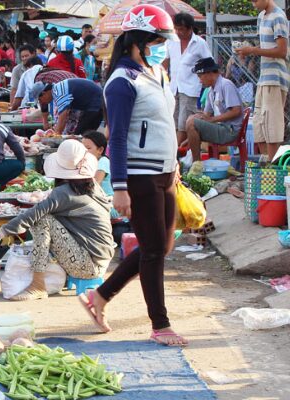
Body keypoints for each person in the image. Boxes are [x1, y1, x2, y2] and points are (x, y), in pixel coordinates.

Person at [86, 4, 187, 347]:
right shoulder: (121, 81)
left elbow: (162, 123)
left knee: (160, 245)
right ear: (139, 40)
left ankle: (100, 295)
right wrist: (120, 188)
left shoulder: (156, 72)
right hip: (139, 176)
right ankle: (160, 324)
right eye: (158, 39)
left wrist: (173, 163)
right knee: (154, 250)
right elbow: (116, 136)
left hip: (165, 172)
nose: (162, 45)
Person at [0, 139, 114, 300]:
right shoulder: (91, 185)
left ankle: (38, 285)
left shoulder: (64, 192)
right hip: (101, 260)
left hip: (88, 265)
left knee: (41, 220)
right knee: (46, 218)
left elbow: (32, 215)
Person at [235, 0, 288, 159]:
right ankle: (266, 163)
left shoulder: (278, 16)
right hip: (263, 77)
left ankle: (272, 167)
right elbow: (264, 47)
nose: (253, 4)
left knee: (272, 125)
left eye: (255, 0)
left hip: (275, 77)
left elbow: (281, 51)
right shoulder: (261, 17)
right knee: (259, 124)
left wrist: (253, 50)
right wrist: (249, 52)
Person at [165, 12, 212, 150]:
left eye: (182, 29)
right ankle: (175, 153)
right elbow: (165, 62)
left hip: (191, 89)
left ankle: (175, 154)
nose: (179, 32)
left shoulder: (200, 43)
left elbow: (209, 63)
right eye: (176, 28)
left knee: (183, 125)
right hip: (173, 88)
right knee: (173, 123)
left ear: (190, 28)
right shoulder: (171, 41)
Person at [183, 57, 245, 162]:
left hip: (230, 131)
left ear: (209, 73)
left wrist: (212, 120)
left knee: (192, 121)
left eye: (200, 76)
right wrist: (190, 135)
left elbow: (236, 110)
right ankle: (196, 164)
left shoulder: (226, 85)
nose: (200, 80)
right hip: (220, 127)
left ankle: (196, 164)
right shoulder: (210, 91)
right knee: (192, 119)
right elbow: (206, 115)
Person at [29, 78, 103, 135]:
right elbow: (45, 106)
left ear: (44, 93)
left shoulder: (58, 92)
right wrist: (45, 122)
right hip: (96, 103)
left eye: (40, 100)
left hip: (95, 104)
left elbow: (63, 115)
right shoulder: (57, 88)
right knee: (88, 136)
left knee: (79, 137)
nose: (41, 102)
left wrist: (56, 136)